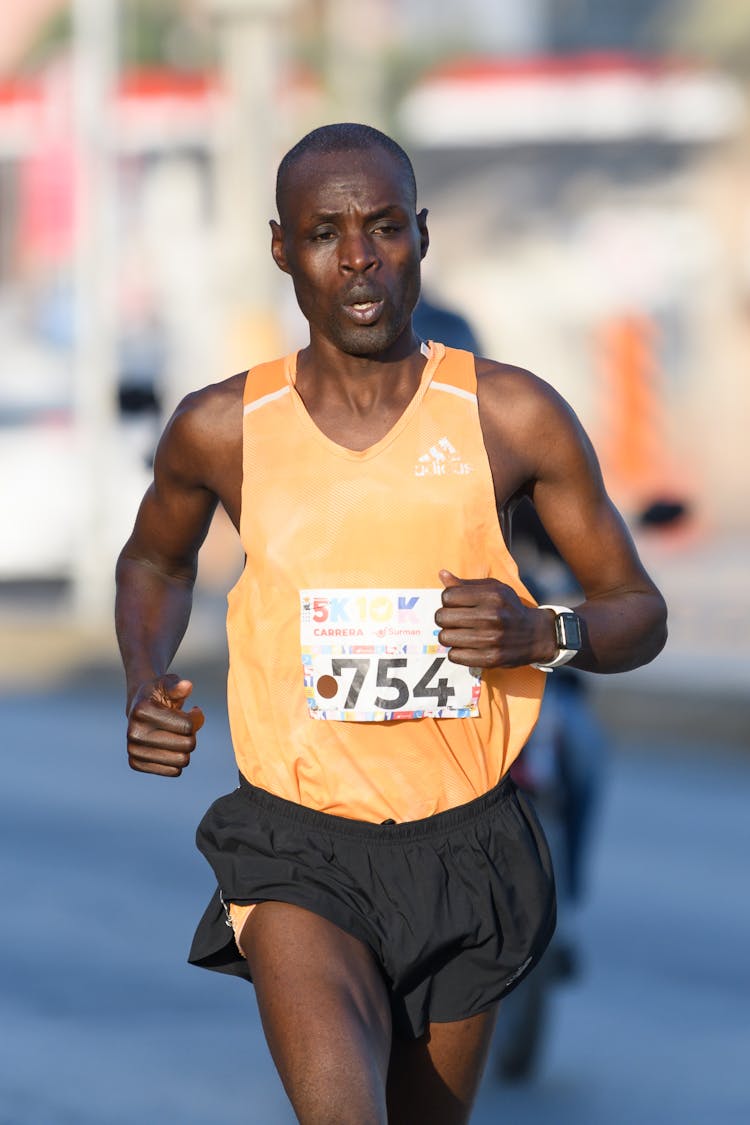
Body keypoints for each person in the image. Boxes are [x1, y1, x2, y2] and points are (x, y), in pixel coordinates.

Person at [116, 122, 667, 1125]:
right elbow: (156, 557)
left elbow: (639, 611)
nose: (358, 260)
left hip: (469, 844)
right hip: (297, 843)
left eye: (381, 228)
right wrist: (143, 676)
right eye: (325, 233)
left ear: (422, 232)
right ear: (282, 248)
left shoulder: (510, 417)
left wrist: (546, 634)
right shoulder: (224, 427)